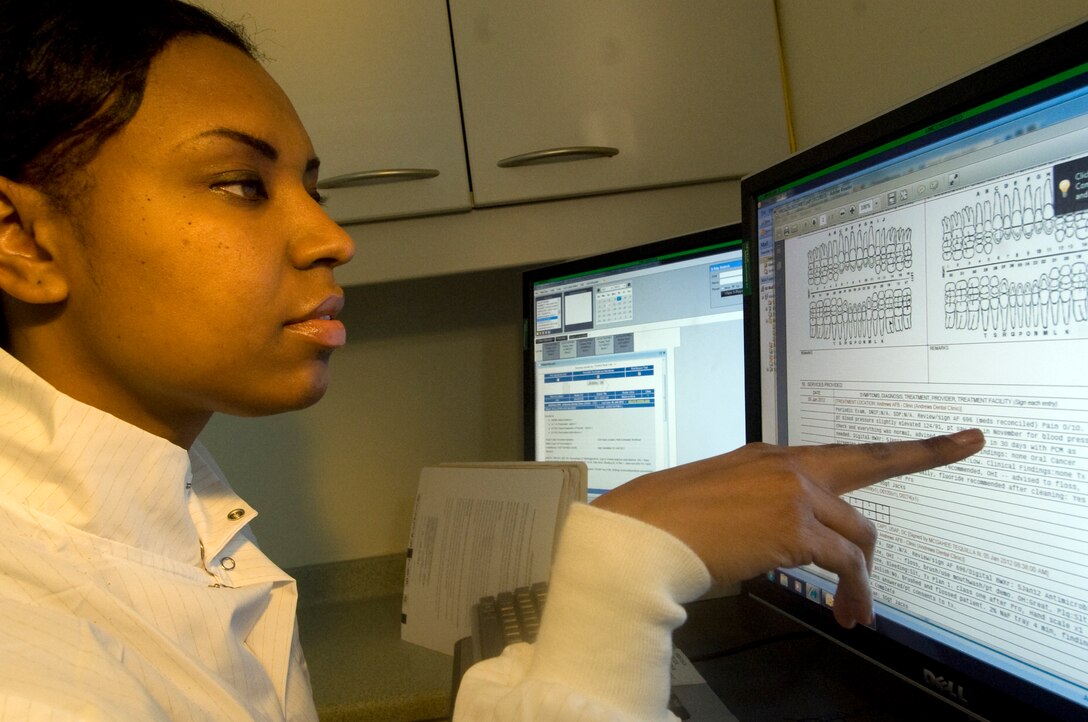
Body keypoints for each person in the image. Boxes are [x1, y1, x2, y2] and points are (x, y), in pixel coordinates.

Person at [0, 1, 986, 720]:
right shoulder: (34, 661)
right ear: (26, 241)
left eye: (311, 185)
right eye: (239, 184)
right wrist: (620, 564)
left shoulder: (165, 510)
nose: (329, 236)